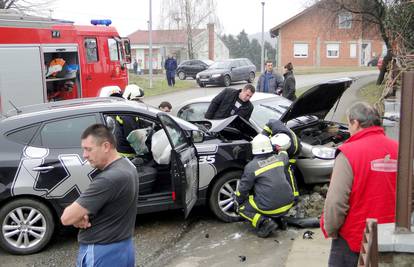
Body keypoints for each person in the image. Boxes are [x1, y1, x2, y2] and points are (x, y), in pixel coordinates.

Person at [320, 102, 398, 266]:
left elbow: (336, 201)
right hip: (391, 238)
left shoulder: (349, 152)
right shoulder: (399, 150)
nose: (348, 128)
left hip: (353, 240)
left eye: (349, 124)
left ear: (355, 123)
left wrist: (331, 229)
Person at [61, 124, 138, 267]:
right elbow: (111, 205)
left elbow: (66, 218)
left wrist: (77, 215)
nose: (84, 155)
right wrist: (82, 214)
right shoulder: (128, 166)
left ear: (106, 146)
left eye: (88, 149)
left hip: (102, 253)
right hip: (123, 248)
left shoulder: (108, 179)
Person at [234, 134, 295, 238]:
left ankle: (265, 223)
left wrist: (238, 200)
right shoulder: (280, 158)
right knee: (269, 197)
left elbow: (243, 189)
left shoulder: (251, 167)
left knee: (241, 208)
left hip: (270, 206)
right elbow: (284, 153)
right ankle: (280, 219)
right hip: (289, 202)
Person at [262, 119, 302, 199]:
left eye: (278, 149)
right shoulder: (275, 125)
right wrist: (264, 136)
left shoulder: (292, 149)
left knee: (288, 171)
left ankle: (295, 195)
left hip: (293, 153)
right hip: (278, 139)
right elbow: (270, 123)